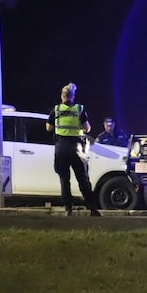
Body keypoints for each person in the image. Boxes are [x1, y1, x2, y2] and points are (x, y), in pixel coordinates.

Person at [46, 83, 101, 217]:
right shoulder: (79, 109)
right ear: (73, 96)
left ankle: (68, 209)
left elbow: (48, 128)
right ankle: (93, 208)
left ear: (62, 96)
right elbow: (87, 128)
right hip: (76, 148)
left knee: (64, 179)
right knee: (83, 179)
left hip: (61, 148)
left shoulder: (56, 109)